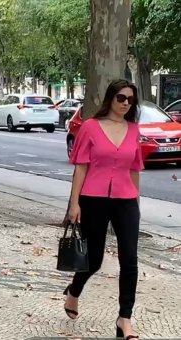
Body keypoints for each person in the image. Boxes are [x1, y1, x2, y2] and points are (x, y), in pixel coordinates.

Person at [64, 79, 143, 340]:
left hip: (126, 201)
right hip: (93, 198)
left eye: (130, 100)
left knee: (129, 260)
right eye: (121, 97)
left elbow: (134, 168)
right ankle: (74, 292)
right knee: (93, 260)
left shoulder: (133, 130)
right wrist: (74, 204)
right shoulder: (91, 127)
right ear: (111, 97)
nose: (125, 103)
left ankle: (124, 319)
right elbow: (81, 168)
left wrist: (137, 204)